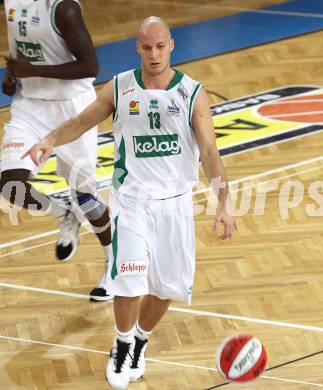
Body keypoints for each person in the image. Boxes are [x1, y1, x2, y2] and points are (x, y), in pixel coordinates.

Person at [24, 16, 237, 389]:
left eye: (160, 46)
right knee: (129, 283)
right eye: (146, 47)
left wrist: (224, 201)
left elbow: (209, 152)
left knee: (167, 288)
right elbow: (80, 121)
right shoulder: (120, 88)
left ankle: (139, 339)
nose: (153, 54)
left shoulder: (191, 92)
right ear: (136, 48)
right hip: (132, 202)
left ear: (171, 45)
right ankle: (122, 346)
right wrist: (50, 140)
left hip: (175, 204)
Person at [0, 0, 113, 301]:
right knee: (10, 184)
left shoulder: (63, 8)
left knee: (86, 196)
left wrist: (32, 69)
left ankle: (113, 263)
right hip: (30, 107)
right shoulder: (13, 2)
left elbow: (90, 66)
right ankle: (64, 214)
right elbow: (23, 50)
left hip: (73, 108)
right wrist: (14, 76)